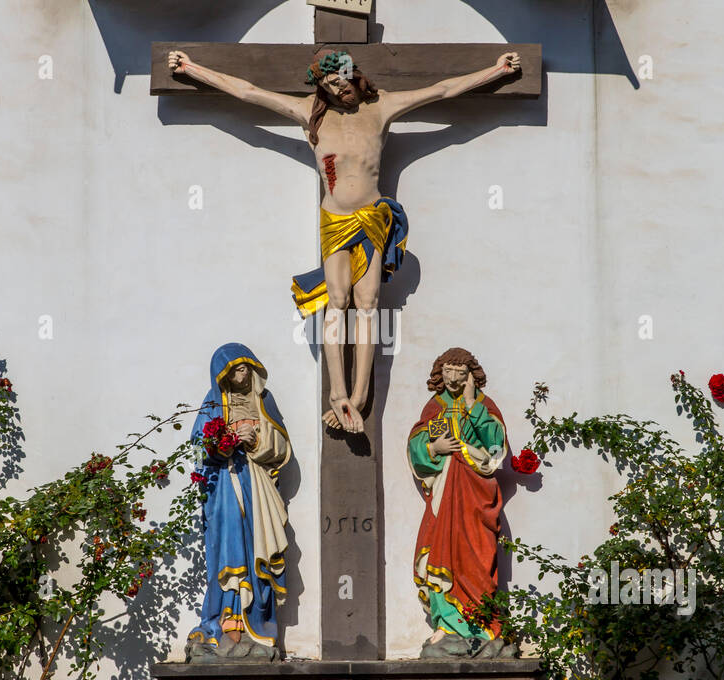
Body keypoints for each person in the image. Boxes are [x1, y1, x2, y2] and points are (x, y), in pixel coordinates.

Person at [169, 46, 520, 433]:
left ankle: (360, 394)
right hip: (335, 217)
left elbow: (441, 90)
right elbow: (249, 92)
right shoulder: (309, 112)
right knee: (337, 301)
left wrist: (495, 71)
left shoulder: (381, 107)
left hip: (371, 217)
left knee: (367, 303)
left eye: (340, 81)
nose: (338, 91)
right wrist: (193, 69)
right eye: (328, 85)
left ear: (353, 73)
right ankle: (338, 392)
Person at [185, 343, 291, 663]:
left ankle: (254, 624)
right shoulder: (213, 402)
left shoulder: (263, 400)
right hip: (224, 490)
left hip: (257, 487)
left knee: (256, 546)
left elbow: (283, 447)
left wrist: (256, 439)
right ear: (224, 376)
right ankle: (227, 623)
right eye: (234, 370)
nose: (241, 374)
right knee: (229, 549)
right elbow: (198, 445)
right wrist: (222, 445)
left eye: (245, 368)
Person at [407, 347, 514, 659]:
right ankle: (448, 624)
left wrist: (470, 405)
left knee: (477, 556)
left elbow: (496, 446)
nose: (453, 378)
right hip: (444, 495)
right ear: (440, 374)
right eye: (448, 371)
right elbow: (417, 446)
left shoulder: (483, 405)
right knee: (442, 551)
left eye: (460, 372)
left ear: (471, 376)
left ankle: (481, 626)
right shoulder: (435, 406)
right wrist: (433, 447)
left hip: (475, 494)